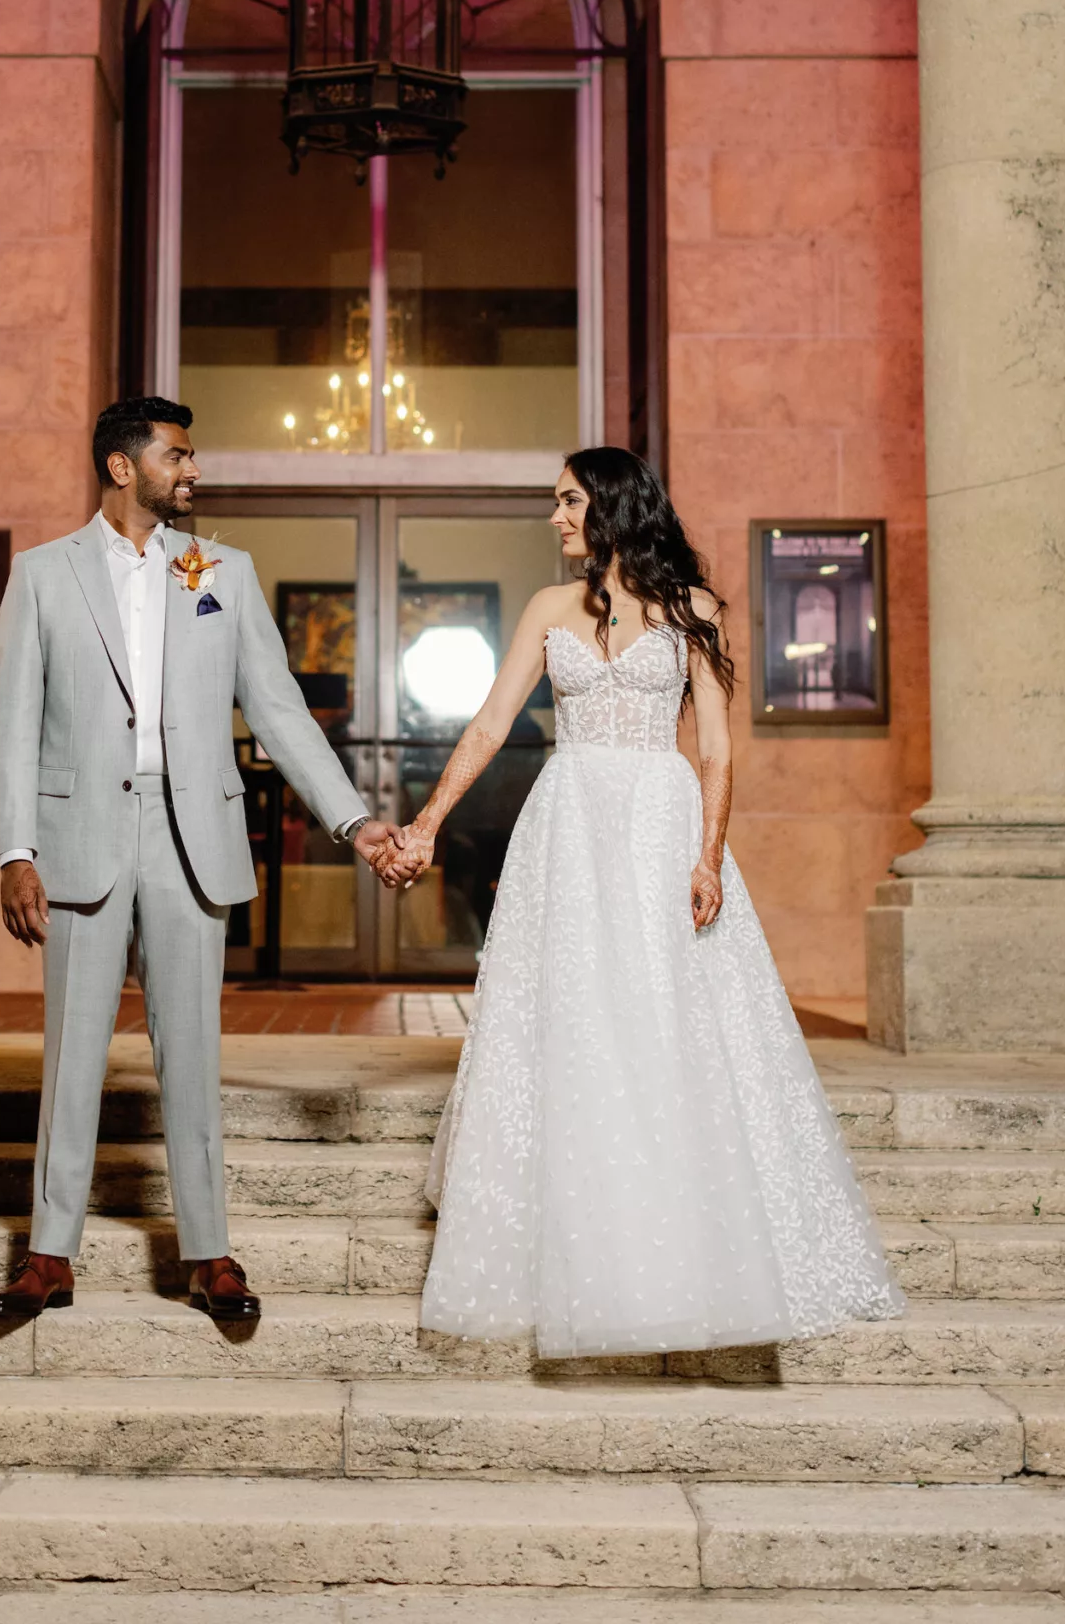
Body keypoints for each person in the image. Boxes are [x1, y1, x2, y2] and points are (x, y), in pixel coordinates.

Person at [384, 446, 904, 1357]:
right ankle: (575, 1225)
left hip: (662, 823)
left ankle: (690, 1227)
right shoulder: (550, 610)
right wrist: (425, 824)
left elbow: (715, 750)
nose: (554, 518)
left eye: (566, 501)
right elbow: (489, 723)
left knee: (669, 1013)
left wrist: (706, 857)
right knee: (573, 1011)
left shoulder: (694, 610)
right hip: (570, 820)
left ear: (612, 506)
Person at [0, 395, 403, 1328]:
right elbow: (12, 729)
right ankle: (48, 1255)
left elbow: (278, 708)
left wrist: (351, 822)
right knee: (72, 1053)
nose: (194, 470)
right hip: (79, 840)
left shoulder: (223, 572)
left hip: (191, 839)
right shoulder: (43, 576)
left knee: (194, 1054)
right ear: (123, 467)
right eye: (178, 455)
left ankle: (207, 1253)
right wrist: (16, 851)